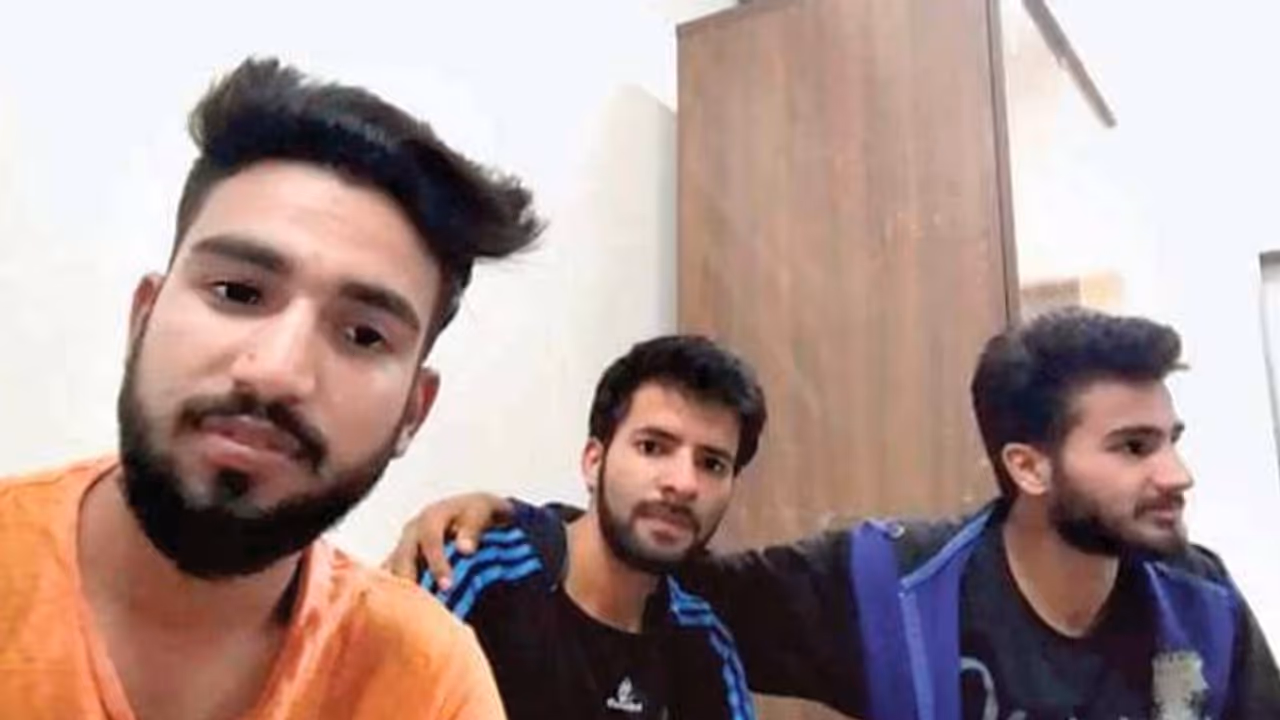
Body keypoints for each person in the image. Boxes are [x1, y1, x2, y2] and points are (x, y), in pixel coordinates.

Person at [388, 309, 1280, 719]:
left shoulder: (1204, 606)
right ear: (1027, 465)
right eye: (1133, 447)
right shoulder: (893, 589)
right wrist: (521, 525)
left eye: (713, 463)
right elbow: (649, 564)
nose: (1178, 475)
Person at [0, 56, 542, 719]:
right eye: (237, 292)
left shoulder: (428, 683)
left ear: (412, 412)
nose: (277, 372)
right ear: (144, 316)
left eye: (363, 335)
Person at [394, 335, 767, 720]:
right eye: (652, 447)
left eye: (712, 464)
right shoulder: (476, 574)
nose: (684, 483)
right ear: (593, 462)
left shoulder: (706, 646)